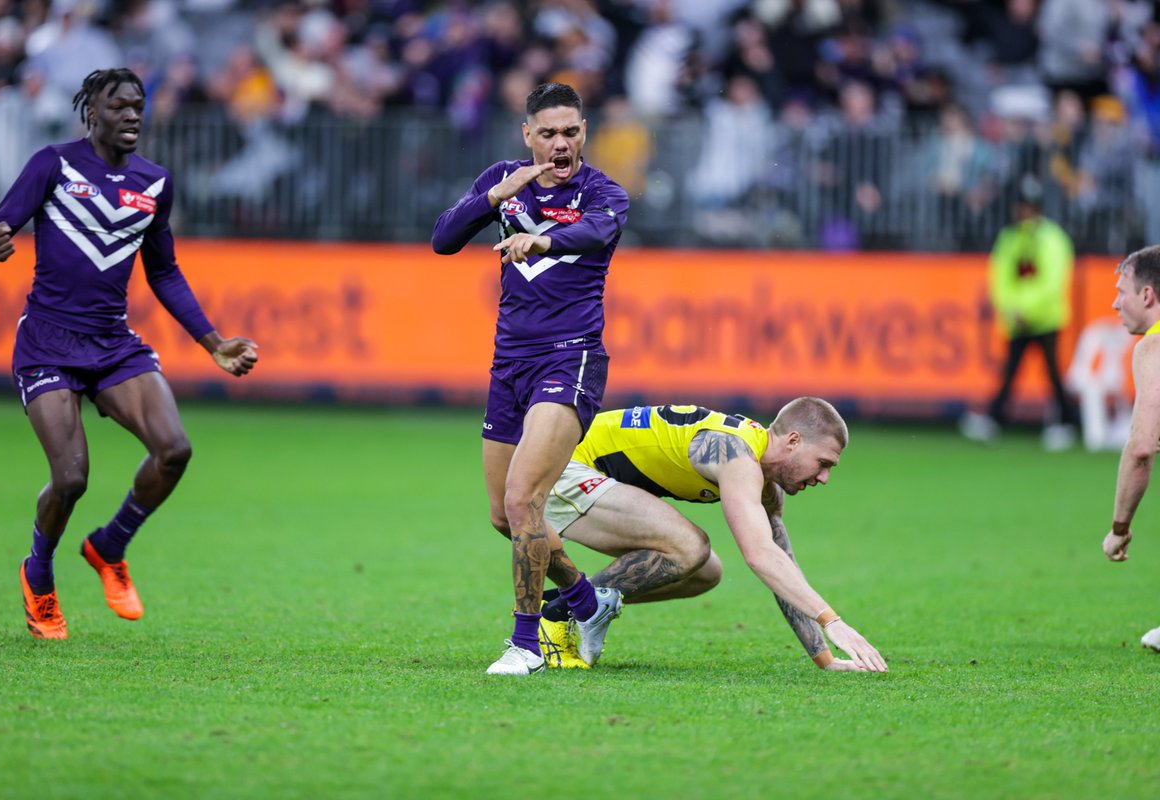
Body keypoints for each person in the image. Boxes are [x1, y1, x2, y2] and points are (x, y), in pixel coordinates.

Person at [0, 68, 258, 640]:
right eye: (119, 106)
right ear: (92, 114)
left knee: (175, 449)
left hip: (111, 343)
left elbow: (165, 272)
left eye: (138, 106)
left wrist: (213, 342)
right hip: (48, 342)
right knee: (72, 478)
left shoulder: (154, 184)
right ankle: (39, 571)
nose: (132, 115)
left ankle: (109, 546)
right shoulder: (54, 164)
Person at [431, 82, 631, 675]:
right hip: (509, 363)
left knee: (525, 500)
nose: (560, 143)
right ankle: (589, 601)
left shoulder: (604, 193)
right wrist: (496, 195)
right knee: (505, 515)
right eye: (548, 132)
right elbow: (443, 241)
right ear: (527, 135)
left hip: (569, 359)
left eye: (571, 131)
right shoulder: (505, 180)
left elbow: (595, 233)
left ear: (584, 132)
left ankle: (526, 645)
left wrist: (541, 235)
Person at [537, 398, 888, 673]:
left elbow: (782, 565)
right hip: (562, 462)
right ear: (794, 441)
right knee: (690, 546)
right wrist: (832, 621)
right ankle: (558, 614)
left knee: (706, 572)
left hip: (587, 469)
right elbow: (759, 554)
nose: (824, 477)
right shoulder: (737, 454)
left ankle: (562, 603)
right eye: (824, 462)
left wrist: (824, 659)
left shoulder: (766, 481)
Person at [960, 175, 1080, 450]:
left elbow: (1053, 281)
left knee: (1051, 372)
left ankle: (1063, 422)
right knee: (1011, 371)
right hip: (1019, 320)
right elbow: (1000, 279)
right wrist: (1010, 309)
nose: (1021, 211)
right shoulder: (1010, 237)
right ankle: (996, 418)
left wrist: (1023, 309)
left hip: (1046, 318)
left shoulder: (1052, 238)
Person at [1102, 245, 1160, 652]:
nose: (1115, 301)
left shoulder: (1153, 348)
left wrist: (1119, 528)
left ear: (1147, 296)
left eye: (1123, 291)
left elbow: (1141, 448)